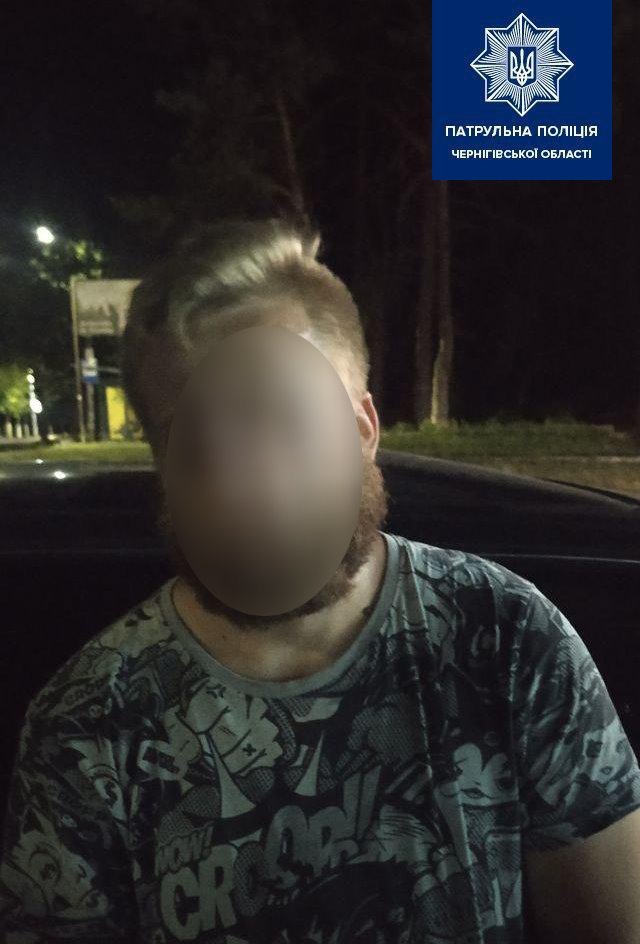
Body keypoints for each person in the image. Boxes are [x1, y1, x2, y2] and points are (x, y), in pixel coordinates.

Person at [1, 217, 639, 944]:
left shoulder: (509, 640)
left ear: (363, 427)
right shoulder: (87, 722)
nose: (254, 483)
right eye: (199, 439)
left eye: (286, 418)